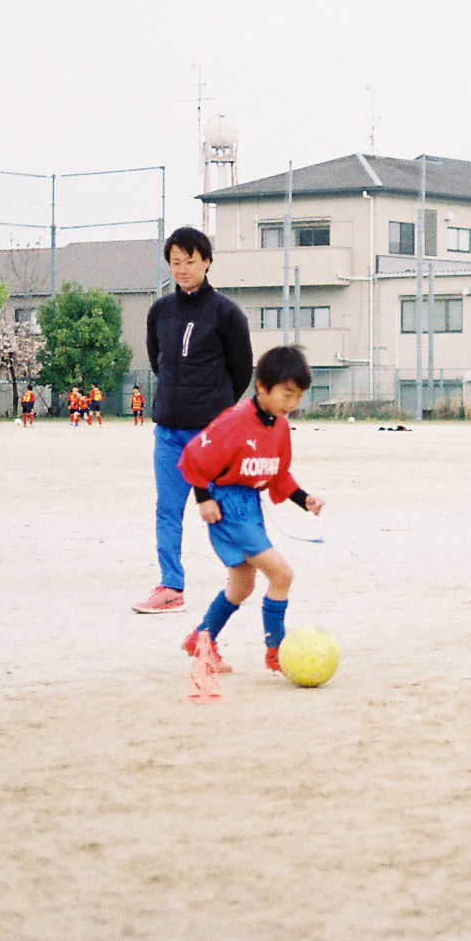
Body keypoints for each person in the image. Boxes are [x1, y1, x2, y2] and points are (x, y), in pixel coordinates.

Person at [176, 346, 325, 674]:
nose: (293, 404)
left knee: (242, 586)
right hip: (228, 507)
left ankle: (201, 639)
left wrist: (305, 499)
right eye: (287, 394)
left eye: (298, 396)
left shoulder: (281, 427)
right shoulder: (234, 421)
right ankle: (277, 652)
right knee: (282, 574)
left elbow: (279, 474)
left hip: (251, 507)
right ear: (261, 386)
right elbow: (194, 457)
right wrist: (203, 498)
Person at [134, 226, 255, 615]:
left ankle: (242, 576)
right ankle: (171, 586)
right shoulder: (160, 311)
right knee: (167, 509)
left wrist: (215, 411)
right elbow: (158, 361)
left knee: (223, 507)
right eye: (175, 262)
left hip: (211, 434)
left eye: (190, 261)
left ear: (206, 261)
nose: (182, 269)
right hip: (168, 432)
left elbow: (241, 371)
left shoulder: (225, 313)